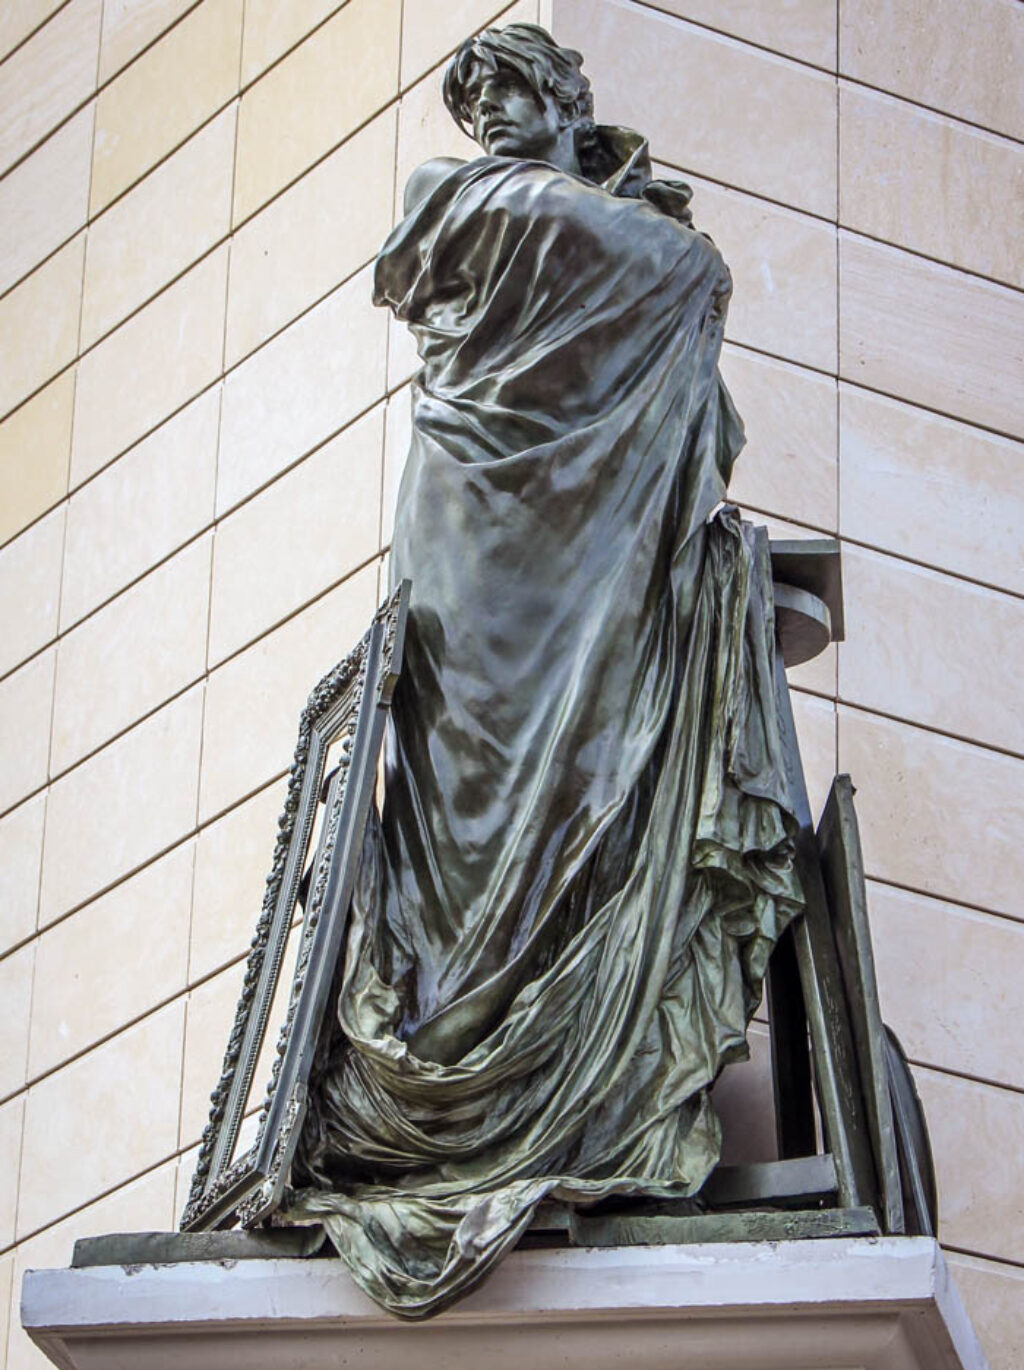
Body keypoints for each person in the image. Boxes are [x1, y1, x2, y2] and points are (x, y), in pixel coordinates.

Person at [287, 23, 803, 1318]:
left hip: (607, 535)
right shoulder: (459, 194)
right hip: (472, 515)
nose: (494, 112)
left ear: (566, 91)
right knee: (458, 790)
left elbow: (681, 282)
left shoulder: (631, 223)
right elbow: (624, 262)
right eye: (478, 97)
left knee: (593, 784)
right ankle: (443, 1086)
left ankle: (578, 1086)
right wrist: (631, 235)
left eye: (516, 86)